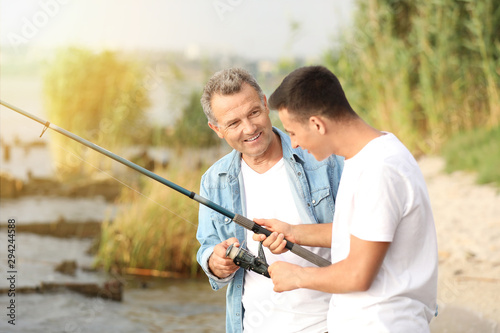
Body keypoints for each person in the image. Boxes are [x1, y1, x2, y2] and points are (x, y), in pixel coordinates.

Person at [253, 65, 438, 332]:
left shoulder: (380, 169)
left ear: (317, 124)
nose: (292, 144)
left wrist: (297, 276)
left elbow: (358, 274)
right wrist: (292, 232)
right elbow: (358, 233)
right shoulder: (365, 155)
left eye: (292, 132)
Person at [196, 67, 344, 333]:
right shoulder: (212, 181)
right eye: (233, 123)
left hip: (331, 323)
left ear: (265, 103)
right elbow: (207, 246)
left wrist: (296, 234)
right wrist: (216, 262)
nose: (249, 128)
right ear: (216, 129)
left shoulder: (323, 158)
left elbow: (362, 234)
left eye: (253, 112)